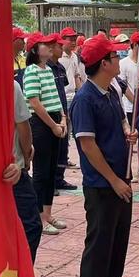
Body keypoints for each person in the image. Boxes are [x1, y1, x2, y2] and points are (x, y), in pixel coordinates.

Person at [70, 35, 139, 277]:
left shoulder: (111, 90)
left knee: (118, 242)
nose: (119, 59)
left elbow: (115, 128)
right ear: (104, 64)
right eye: (114, 56)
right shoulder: (85, 100)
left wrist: (128, 135)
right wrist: (113, 180)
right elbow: (88, 146)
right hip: (103, 186)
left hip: (120, 179)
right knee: (98, 247)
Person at [12, 80, 54, 277]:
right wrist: (25, 155)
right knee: (30, 226)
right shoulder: (9, 84)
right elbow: (22, 125)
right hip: (11, 173)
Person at [23, 32, 66, 235]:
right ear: (34, 50)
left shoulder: (48, 70)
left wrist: (63, 119)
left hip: (55, 121)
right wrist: (53, 125)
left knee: (50, 170)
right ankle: (39, 216)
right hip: (41, 124)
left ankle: (48, 213)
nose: (50, 47)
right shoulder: (31, 71)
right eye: (45, 45)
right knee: (41, 172)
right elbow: (34, 102)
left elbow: (56, 98)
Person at [48, 33, 77, 192]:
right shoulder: (46, 68)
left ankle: (59, 178)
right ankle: (51, 182)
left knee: (63, 146)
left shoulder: (59, 67)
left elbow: (65, 86)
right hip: (53, 112)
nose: (61, 48)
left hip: (63, 108)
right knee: (52, 148)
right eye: (59, 46)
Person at [59, 27, 82, 171]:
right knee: (64, 131)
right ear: (63, 40)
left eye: (75, 39)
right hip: (63, 97)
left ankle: (66, 157)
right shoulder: (58, 57)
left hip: (73, 97)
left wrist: (80, 94)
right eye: (70, 39)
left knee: (73, 129)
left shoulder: (74, 57)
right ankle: (62, 160)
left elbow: (76, 76)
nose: (73, 42)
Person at [119, 31, 139, 182]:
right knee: (130, 139)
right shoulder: (124, 63)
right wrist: (135, 101)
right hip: (129, 108)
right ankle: (129, 170)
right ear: (134, 45)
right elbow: (123, 87)